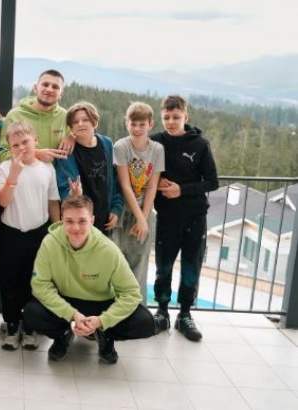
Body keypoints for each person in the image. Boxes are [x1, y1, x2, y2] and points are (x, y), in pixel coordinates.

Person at [23, 196, 163, 364]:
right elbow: (40, 286)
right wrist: (71, 314)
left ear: (92, 220)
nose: (76, 228)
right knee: (31, 313)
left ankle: (104, 334)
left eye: (82, 221)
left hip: (100, 304)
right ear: (62, 220)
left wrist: (102, 321)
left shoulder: (108, 250)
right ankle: (63, 334)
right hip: (66, 301)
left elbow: (131, 293)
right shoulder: (50, 243)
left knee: (145, 322)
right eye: (69, 221)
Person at [151, 95, 218, 342]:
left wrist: (181, 189)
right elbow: (142, 168)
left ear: (185, 117)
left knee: (191, 266)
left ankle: (185, 315)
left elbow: (212, 182)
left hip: (195, 216)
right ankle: (162, 311)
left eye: (176, 117)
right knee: (163, 266)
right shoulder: (155, 141)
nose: (170, 122)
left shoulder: (200, 144)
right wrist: (156, 180)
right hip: (167, 216)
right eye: (166, 117)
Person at [0, 121, 60, 351]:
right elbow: (2, 201)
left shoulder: (47, 169)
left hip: (39, 233)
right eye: (16, 145)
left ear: (36, 141)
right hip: (11, 233)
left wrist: (57, 230)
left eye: (25, 142)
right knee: (10, 281)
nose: (21, 148)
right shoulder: (5, 168)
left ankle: (30, 326)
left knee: (35, 282)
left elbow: (53, 201)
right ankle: (12, 325)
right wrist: (14, 175)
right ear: (10, 148)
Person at [111, 102, 164, 305]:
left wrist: (143, 218)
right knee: (115, 260)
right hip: (122, 211)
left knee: (140, 263)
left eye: (142, 124)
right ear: (127, 124)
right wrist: (140, 218)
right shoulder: (121, 146)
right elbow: (125, 186)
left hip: (144, 211)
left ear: (151, 125)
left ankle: (137, 308)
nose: (137, 128)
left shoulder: (157, 149)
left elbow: (152, 186)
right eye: (133, 124)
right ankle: (113, 307)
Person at [55, 101, 123, 234]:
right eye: (75, 122)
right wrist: (73, 195)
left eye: (85, 120)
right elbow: (63, 187)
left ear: (94, 122)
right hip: (80, 222)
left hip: (105, 219)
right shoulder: (66, 151)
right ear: (70, 127)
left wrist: (116, 208)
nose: (80, 124)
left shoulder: (107, 144)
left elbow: (114, 180)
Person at [0, 69, 72, 163]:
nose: (49, 89)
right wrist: (35, 154)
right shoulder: (14, 115)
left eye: (55, 87)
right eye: (45, 85)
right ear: (35, 88)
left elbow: (83, 135)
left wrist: (72, 137)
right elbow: (2, 156)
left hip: (54, 173)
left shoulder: (65, 116)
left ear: (61, 94)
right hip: (22, 172)